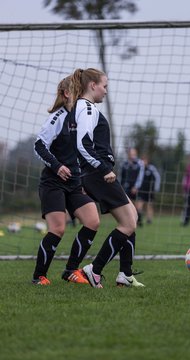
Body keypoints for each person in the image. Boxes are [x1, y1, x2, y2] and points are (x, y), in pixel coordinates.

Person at [68, 68, 145, 288]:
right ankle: (95, 270)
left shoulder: (83, 107)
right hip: (97, 174)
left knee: (131, 217)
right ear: (92, 85)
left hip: (95, 173)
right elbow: (82, 144)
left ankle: (125, 274)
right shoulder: (87, 108)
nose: (106, 91)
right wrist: (103, 168)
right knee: (128, 222)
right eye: (105, 86)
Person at [32, 76, 100, 285]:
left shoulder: (82, 117)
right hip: (53, 183)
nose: (80, 94)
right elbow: (39, 145)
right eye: (76, 90)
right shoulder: (58, 117)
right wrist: (57, 166)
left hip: (75, 183)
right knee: (58, 229)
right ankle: (38, 276)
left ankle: (71, 270)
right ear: (66, 94)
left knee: (92, 222)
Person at [135, 155, 161, 225]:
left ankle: (149, 220)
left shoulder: (152, 168)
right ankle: (139, 219)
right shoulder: (139, 169)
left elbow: (157, 178)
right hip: (141, 190)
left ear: (147, 161)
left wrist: (156, 188)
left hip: (150, 191)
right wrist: (136, 187)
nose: (143, 162)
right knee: (139, 205)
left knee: (149, 205)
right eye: (142, 160)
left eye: (145, 160)